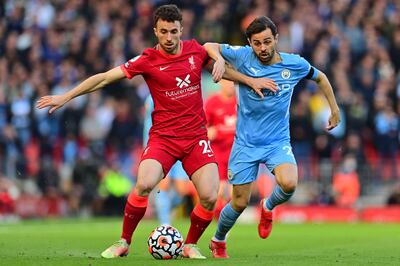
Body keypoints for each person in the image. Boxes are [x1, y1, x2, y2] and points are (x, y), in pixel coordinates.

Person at [36, 5, 277, 259]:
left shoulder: (195, 51)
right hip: (163, 138)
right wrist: (66, 96)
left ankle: (189, 245)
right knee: (144, 183)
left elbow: (224, 70)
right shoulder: (147, 59)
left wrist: (249, 80)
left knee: (208, 196)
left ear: (181, 29)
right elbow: (106, 77)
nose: (169, 37)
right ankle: (124, 242)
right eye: (164, 32)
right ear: (156, 31)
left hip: (195, 138)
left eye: (174, 31)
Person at [204, 16, 341, 258]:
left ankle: (267, 207)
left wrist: (334, 108)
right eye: (257, 43)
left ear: (276, 39)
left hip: (277, 142)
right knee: (238, 202)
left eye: (267, 41)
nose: (263, 48)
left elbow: (320, 77)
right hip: (245, 143)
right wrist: (221, 63)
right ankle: (218, 239)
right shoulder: (242, 56)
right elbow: (208, 47)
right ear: (250, 43)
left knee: (289, 183)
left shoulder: (294, 64)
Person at [143, 95, 193, 226]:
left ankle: (164, 208)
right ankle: (165, 224)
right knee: (163, 185)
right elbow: (149, 123)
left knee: (182, 190)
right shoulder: (153, 97)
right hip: (162, 145)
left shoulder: (180, 93)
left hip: (181, 144)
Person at [204, 79, 237, 220]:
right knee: (219, 191)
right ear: (221, 82)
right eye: (228, 81)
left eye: (233, 82)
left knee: (233, 192)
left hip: (236, 151)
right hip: (218, 151)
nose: (231, 85)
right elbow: (203, 129)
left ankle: (226, 220)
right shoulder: (212, 102)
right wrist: (209, 132)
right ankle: (219, 219)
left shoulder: (240, 102)